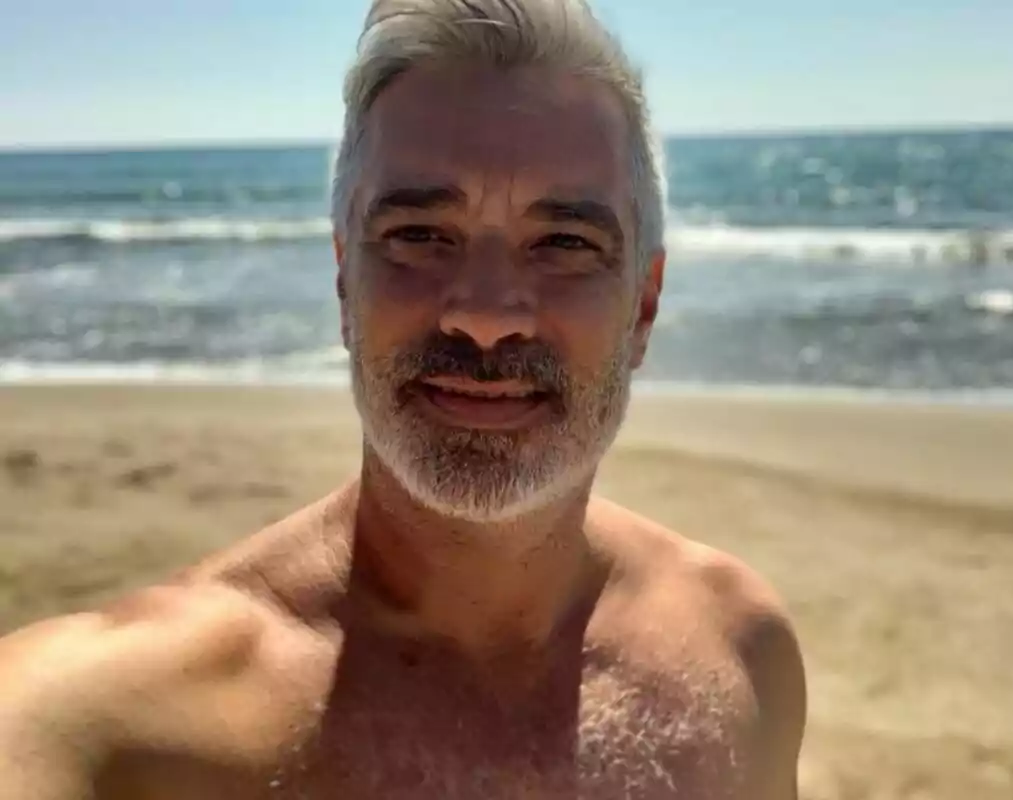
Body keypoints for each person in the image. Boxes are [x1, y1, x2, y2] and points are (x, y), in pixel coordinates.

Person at [0, 1, 806, 797]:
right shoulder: (106, 728)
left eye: (564, 243)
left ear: (642, 306)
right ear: (346, 278)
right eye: (420, 235)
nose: (486, 317)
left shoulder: (739, 657)